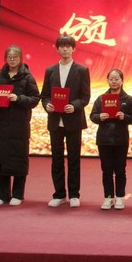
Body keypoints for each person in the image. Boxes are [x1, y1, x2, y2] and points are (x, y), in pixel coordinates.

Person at [40, 35, 91, 208]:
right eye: (62, 46)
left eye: (68, 46)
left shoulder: (82, 70)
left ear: (73, 49)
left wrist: (74, 106)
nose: (65, 49)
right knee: (56, 159)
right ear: (57, 49)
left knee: (74, 159)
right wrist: (47, 104)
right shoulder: (50, 70)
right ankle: (59, 194)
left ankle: (74, 194)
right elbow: (45, 95)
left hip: (73, 120)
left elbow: (85, 97)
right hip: (55, 121)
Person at [0, 45, 40, 206]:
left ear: (20, 58)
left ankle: (18, 194)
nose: (12, 59)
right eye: (9, 57)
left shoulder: (27, 77)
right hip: (1, 124)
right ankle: (2, 194)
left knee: (18, 158)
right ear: (6, 58)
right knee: (2, 157)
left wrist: (19, 98)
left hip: (19, 125)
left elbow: (35, 99)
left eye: (15, 57)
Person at [90, 69, 132, 210]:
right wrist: (99, 117)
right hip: (104, 139)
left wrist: (125, 117)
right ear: (108, 81)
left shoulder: (128, 100)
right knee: (106, 170)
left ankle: (120, 197)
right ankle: (108, 197)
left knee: (120, 170)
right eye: (111, 79)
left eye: (117, 79)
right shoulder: (101, 99)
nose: (114, 81)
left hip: (121, 140)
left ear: (122, 81)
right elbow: (93, 116)